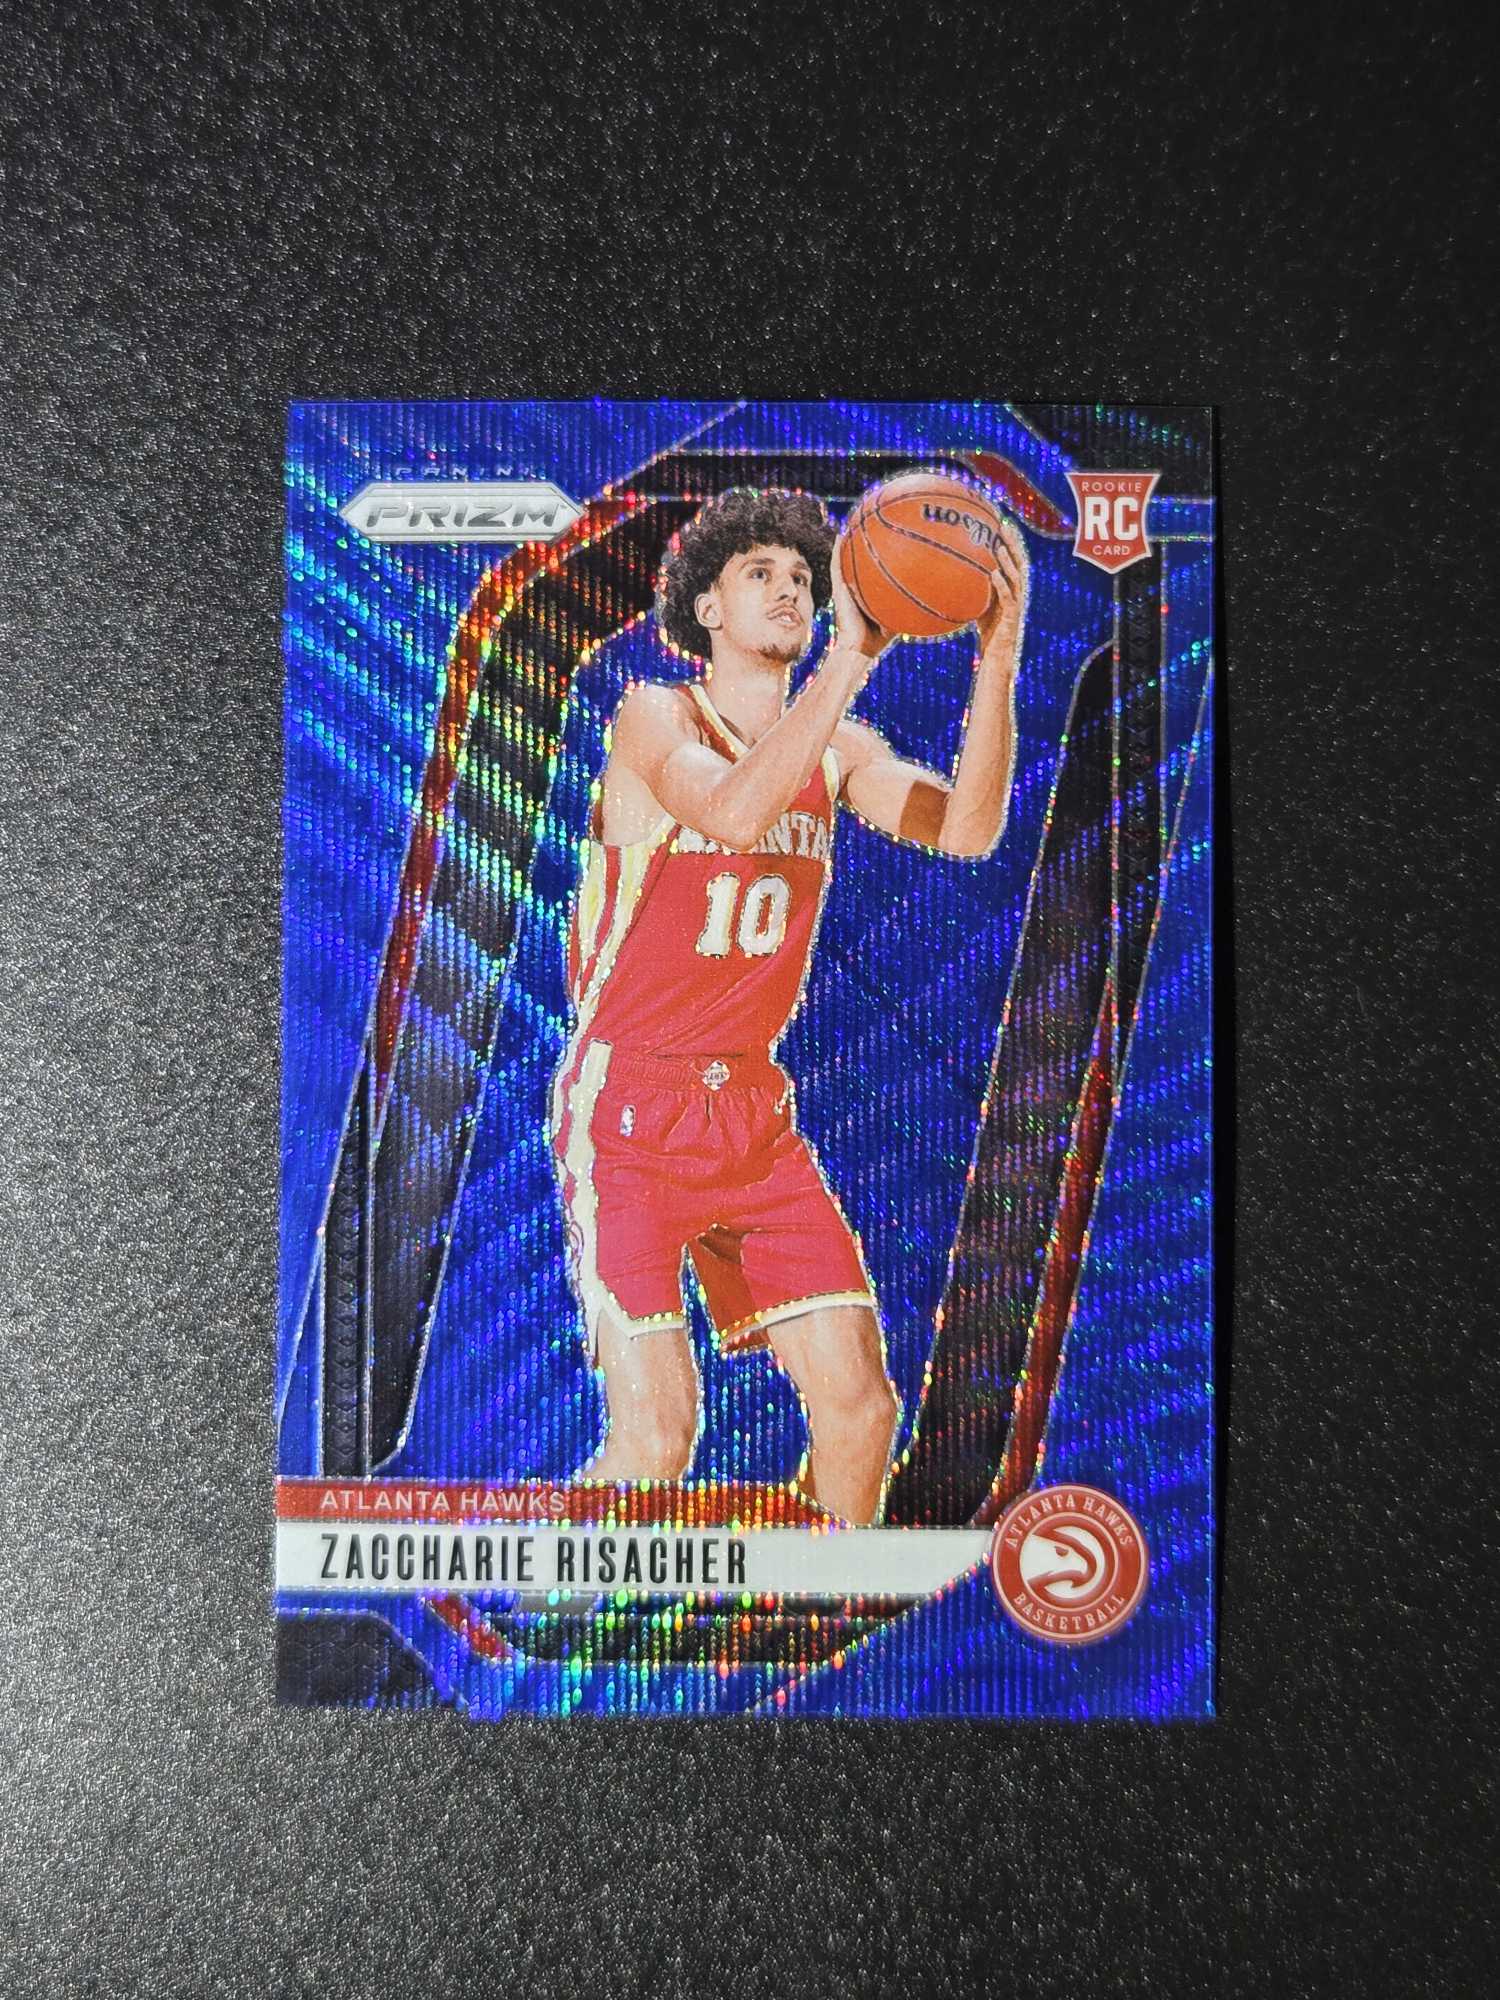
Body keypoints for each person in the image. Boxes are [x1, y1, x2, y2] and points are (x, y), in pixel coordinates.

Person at [550, 487, 1027, 1523]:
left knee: (860, 1408)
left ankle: (823, 1603)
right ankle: (536, 1595)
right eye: (759, 573)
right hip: (628, 1109)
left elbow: (967, 829)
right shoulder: (656, 714)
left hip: (751, 1115)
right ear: (708, 608)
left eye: (805, 578)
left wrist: (995, 661)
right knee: (657, 1436)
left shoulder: (840, 747)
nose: (790, 590)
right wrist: (850, 654)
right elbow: (731, 811)